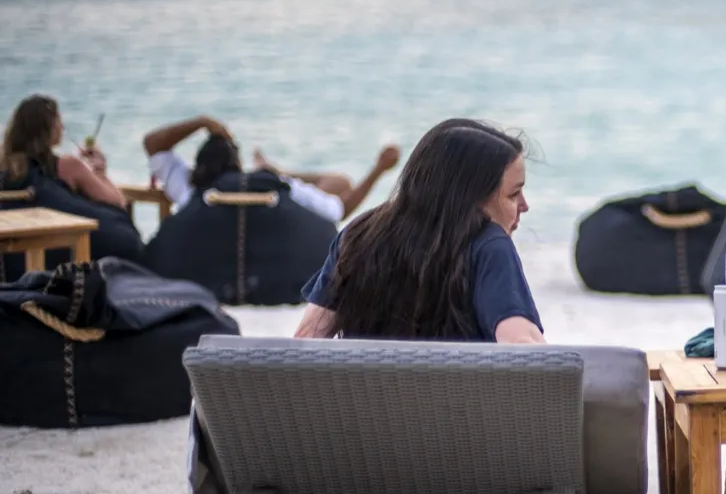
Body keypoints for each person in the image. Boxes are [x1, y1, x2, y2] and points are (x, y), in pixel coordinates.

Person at [294, 118, 545, 343]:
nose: (524, 205)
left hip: (366, 395)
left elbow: (307, 342)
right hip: (461, 396)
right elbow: (521, 348)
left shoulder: (359, 236)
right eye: (513, 194)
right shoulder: (489, 246)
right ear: (471, 197)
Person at [142, 115, 399, 222]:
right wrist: (379, 169)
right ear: (239, 164)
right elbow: (340, 208)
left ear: (198, 166)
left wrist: (202, 122)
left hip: (214, 275)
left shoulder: (189, 191)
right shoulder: (274, 188)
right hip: (271, 278)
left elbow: (152, 143)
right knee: (337, 184)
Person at [1, 94, 128, 209]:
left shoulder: (6, 166)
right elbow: (118, 202)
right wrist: (100, 172)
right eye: (58, 121)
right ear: (50, 130)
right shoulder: (67, 166)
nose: (62, 127)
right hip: (71, 232)